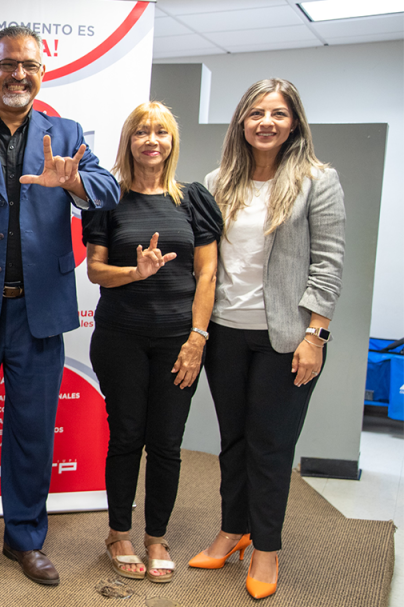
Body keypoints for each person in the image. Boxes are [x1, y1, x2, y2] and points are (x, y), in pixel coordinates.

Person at [0, 26, 120, 585]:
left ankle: (27, 538)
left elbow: (109, 190)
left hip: (40, 311)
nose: (19, 75)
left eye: (29, 65)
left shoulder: (67, 132)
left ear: (41, 72)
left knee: (32, 430)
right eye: (8, 64)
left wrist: (74, 180)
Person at [190, 78, 345, 600]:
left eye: (278, 113)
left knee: (271, 446)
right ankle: (233, 530)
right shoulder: (218, 180)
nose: (266, 122)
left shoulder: (317, 180)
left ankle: (267, 548)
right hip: (227, 334)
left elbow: (327, 264)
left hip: (287, 336)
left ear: (294, 122)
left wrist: (315, 335)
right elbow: (206, 260)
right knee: (232, 441)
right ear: (241, 121)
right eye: (256, 113)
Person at [82, 102, 222, 584]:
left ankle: (156, 537)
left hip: (177, 342)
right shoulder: (108, 199)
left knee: (166, 442)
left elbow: (207, 273)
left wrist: (197, 339)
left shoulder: (194, 199)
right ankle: (118, 532)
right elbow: (95, 270)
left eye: (160, 131)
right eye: (141, 131)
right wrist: (135, 272)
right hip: (120, 337)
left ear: (171, 142)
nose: (151, 140)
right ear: (129, 141)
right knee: (125, 437)